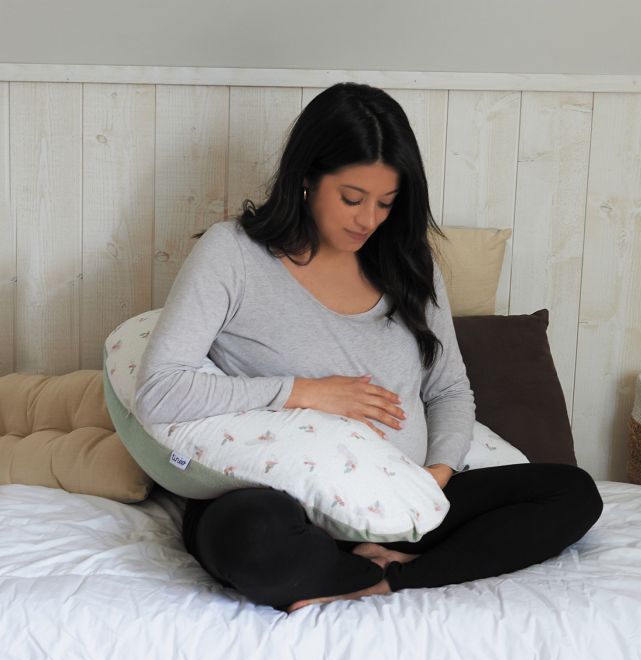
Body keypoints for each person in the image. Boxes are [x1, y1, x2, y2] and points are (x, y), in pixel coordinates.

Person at [135, 82, 603, 613]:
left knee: (572, 492)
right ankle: (370, 566)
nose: (369, 220)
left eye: (386, 202)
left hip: (406, 504)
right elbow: (159, 390)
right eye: (352, 199)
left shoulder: (409, 262)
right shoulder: (234, 254)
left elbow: (449, 390)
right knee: (255, 536)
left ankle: (383, 576)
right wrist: (305, 392)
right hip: (285, 505)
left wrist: (434, 481)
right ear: (307, 177)